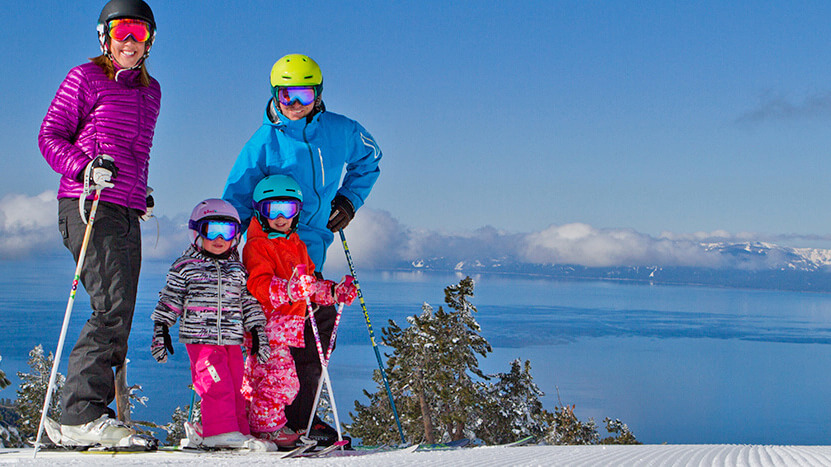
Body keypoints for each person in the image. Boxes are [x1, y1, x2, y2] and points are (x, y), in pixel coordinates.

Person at [222, 53, 381, 444]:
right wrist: (223, 251)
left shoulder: (342, 131)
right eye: (285, 94)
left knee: (316, 331)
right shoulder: (262, 144)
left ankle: (303, 419)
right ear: (274, 94)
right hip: (272, 258)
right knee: (277, 338)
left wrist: (348, 201)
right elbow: (237, 199)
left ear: (319, 94)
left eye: (304, 94)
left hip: (312, 252)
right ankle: (266, 417)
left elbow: (371, 158)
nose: (294, 104)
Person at [38, 0, 160, 447]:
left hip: (126, 209)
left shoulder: (152, 92)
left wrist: (137, 190)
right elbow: (49, 136)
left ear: (150, 40)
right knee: (109, 305)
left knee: (121, 308)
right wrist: (85, 167)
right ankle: (79, 416)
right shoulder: (85, 77)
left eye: (139, 32)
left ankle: (92, 414)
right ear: (104, 36)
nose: (130, 41)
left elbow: (133, 154)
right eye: (122, 30)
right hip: (87, 205)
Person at [240, 175, 357, 448]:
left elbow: (309, 287)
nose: (281, 218)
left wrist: (333, 292)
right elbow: (258, 285)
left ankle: (251, 425)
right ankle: (267, 429)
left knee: (263, 380)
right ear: (260, 211)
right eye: (273, 210)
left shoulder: (296, 244)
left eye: (288, 210)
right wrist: (290, 289)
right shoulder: (257, 245)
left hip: (284, 328)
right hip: (267, 327)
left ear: (297, 212)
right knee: (282, 382)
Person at [150, 199, 272, 450]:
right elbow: (170, 298)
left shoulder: (237, 268)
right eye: (211, 230)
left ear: (235, 235)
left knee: (236, 387)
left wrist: (258, 330)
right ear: (197, 232)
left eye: (226, 232)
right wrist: (161, 328)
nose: (219, 238)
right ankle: (220, 431)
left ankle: (238, 431)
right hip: (201, 339)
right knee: (216, 384)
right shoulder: (185, 266)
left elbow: (247, 301)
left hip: (231, 338)